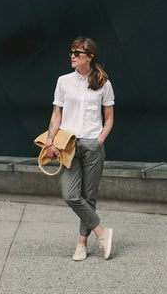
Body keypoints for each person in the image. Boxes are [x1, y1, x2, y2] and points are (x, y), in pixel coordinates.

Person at [45, 37, 115, 261]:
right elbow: (57, 114)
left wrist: (99, 141)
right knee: (71, 195)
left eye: (77, 52)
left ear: (90, 56)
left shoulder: (104, 83)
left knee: (90, 195)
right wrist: (49, 141)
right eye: (72, 52)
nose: (72, 56)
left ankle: (82, 244)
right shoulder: (63, 81)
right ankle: (101, 232)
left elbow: (109, 119)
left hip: (93, 144)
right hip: (68, 145)